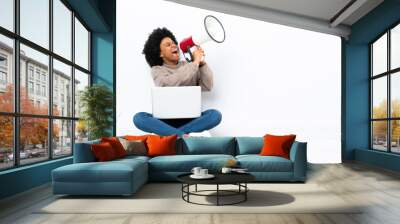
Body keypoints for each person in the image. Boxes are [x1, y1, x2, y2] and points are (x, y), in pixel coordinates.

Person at [133, 27, 222, 137]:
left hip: (191, 119)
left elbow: (207, 86)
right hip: (166, 120)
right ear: (160, 53)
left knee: (215, 115)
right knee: (139, 118)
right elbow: (168, 83)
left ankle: (172, 135)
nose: (174, 45)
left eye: (174, 43)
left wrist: (202, 64)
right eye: (168, 45)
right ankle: (183, 136)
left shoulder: (188, 65)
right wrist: (194, 63)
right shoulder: (157, 70)